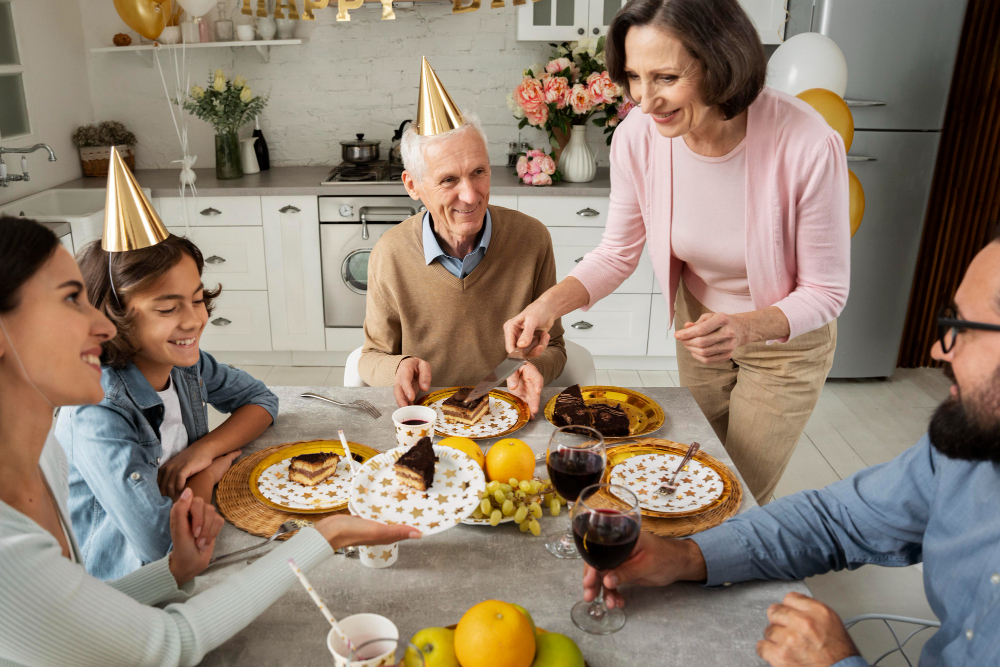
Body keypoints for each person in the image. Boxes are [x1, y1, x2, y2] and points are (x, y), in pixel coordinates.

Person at [0, 218, 417, 666]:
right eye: (69, 299)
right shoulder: (11, 545)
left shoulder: (44, 457)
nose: (102, 326)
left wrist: (173, 571)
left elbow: (83, 610)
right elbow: (170, 642)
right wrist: (324, 535)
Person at [578, 233, 1000, 666]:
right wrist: (686, 555)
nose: (938, 349)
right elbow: (836, 520)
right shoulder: (965, 451)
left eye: (964, 327)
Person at [505, 0, 850, 504]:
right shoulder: (637, 139)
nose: (645, 101)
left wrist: (745, 327)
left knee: (737, 495)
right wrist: (544, 307)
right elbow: (617, 253)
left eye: (666, 77)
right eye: (634, 78)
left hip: (783, 342)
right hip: (699, 329)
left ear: (720, 61)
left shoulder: (807, 142)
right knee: (683, 482)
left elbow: (827, 290)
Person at [55, 235, 280, 580]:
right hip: (128, 587)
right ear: (110, 317)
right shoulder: (98, 411)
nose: (194, 320)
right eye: (167, 309)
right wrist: (206, 476)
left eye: (197, 299)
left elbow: (261, 400)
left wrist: (204, 450)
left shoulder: (183, 363)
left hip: (193, 532)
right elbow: (168, 550)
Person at [359, 111, 566, 414]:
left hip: (508, 416)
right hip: (427, 422)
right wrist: (399, 367)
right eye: (449, 180)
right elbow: (371, 356)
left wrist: (533, 366)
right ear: (413, 186)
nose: (470, 196)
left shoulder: (532, 238)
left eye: (478, 172)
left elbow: (555, 347)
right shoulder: (390, 252)